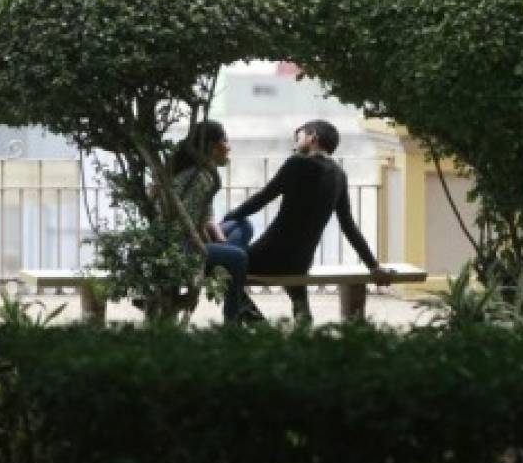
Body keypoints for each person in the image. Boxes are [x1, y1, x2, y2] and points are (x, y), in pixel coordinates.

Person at [222, 119, 392, 323]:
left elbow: (262, 198)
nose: (294, 145)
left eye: (298, 138)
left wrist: (230, 217)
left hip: (268, 256)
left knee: (224, 272)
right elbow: (348, 226)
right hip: (301, 262)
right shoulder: (339, 175)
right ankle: (302, 312)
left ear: (313, 138)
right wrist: (373, 265)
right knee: (293, 261)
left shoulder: (296, 163)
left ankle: (259, 325)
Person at [166, 120, 253, 323]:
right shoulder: (198, 178)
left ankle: (221, 268)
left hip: (194, 238)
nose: (229, 146)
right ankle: (233, 318)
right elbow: (190, 228)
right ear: (212, 147)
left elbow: (206, 219)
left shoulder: (203, 174)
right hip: (183, 245)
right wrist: (219, 248)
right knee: (239, 257)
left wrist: (221, 245)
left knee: (243, 224)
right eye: (225, 140)